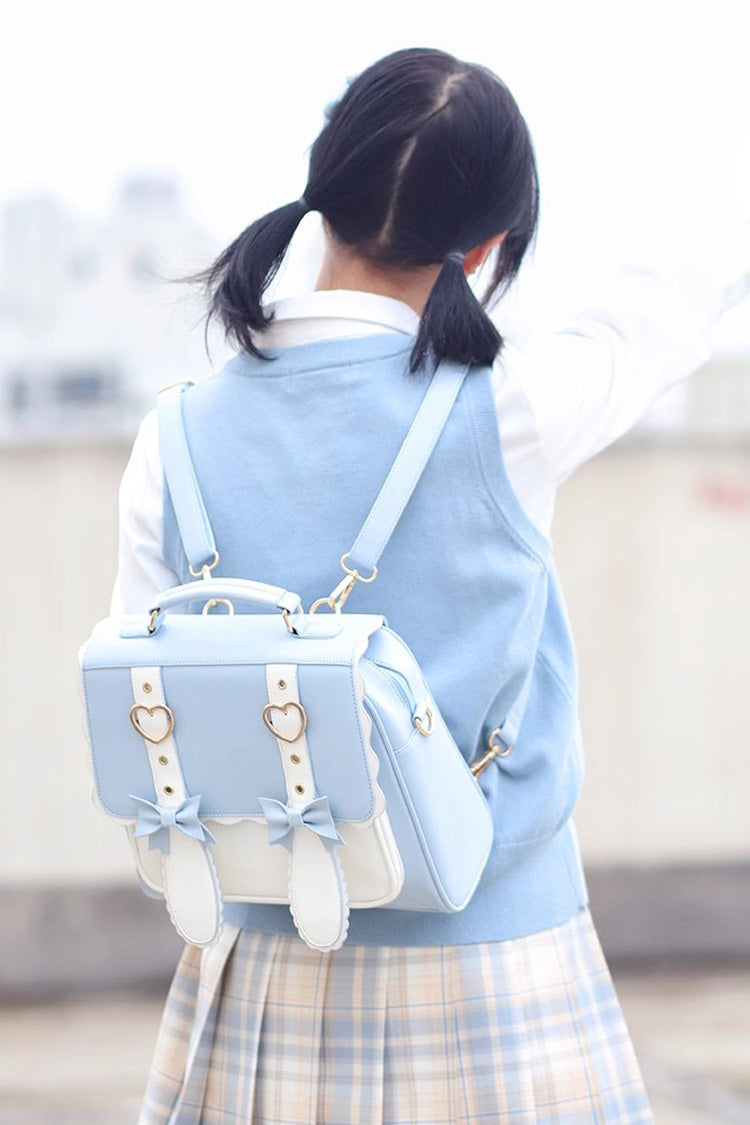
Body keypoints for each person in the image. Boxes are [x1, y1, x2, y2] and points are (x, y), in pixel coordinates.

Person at [111, 46, 750, 1125]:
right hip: (498, 972)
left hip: (263, 977)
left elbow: (149, 710)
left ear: (323, 190)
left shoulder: (172, 440)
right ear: (489, 246)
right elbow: (673, 302)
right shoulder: (514, 411)